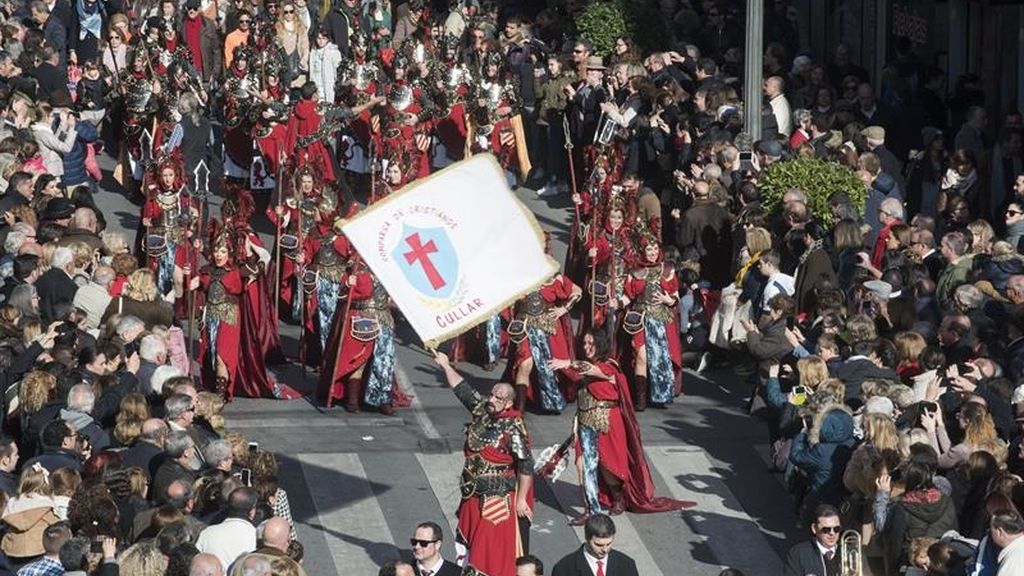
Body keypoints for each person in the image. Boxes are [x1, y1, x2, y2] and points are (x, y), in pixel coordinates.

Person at [433, 351, 532, 576]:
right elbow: (463, 390)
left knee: (488, 555)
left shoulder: (514, 427)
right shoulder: (483, 412)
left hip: (496, 501)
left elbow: (526, 465)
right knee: (468, 549)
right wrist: (446, 366)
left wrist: (521, 499)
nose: (491, 400)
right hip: (471, 495)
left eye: (498, 398)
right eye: (492, 395)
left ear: (508, 403)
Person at [550, 514, 639, 576]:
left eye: (609, 543)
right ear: (587, 538)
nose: (605, 550)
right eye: (598, 545)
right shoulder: (564, 569)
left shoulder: (627, 565)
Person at [782, 504, 843, 576]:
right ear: (814, 529)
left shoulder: (848, 552)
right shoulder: (798, 553)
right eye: (826, 530)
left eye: (836, 529)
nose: (832, 533)